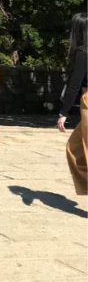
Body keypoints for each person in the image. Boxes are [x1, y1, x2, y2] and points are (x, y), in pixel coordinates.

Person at [58, 11, 87, 195]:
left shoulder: (83, 53)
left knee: (82, 148)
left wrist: (63, 113)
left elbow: (74, 85)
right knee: (74, 147)